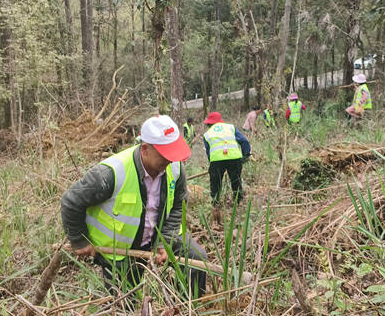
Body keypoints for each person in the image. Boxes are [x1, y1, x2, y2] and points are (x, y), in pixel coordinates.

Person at [61, 115, 207, 297]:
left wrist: (164, 242)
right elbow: (71, 201)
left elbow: (178, 205)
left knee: (195, 256)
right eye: (165, 155)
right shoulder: (110, 173)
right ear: (145, 149)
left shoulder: (175, 167)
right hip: (121, 248)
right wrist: (79, 239)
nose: (171, 160)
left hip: (159, 233)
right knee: (124, 301)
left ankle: (188, 309)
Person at [202, 111, 251, 206]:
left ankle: (215, 203)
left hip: (216, 160)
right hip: (234, 158)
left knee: (215, 182)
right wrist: (246, 155)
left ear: (209, 123)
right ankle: (238, 201)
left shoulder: (207, 134)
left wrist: (212, 164)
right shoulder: (231, 127)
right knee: (236, 180)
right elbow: (244, 141)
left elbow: (208, 152)